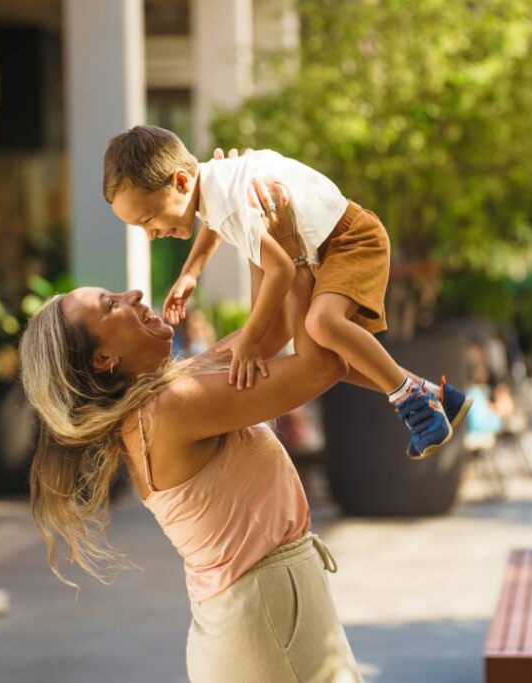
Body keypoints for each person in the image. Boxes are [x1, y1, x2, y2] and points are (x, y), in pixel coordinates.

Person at [18, 186, 363, 682]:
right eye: (112, 305)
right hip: (267, 617)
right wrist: (289, 244)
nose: (133, 294)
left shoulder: (166, 397)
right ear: (103, 360)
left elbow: (266, 334)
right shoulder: (170, 409)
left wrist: (246, 214)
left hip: (262, 613)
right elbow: (319, 366)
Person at [101, 126, 471, 459]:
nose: (150, 234)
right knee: (323, 348)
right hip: (324, 246)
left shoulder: (225, 200)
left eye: (148, 219)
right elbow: (215, 223)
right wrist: (190, 272)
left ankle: (412, 401)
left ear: (181, 182)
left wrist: (251, 340)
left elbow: (279, 269)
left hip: (349, 240)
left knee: (322, 325)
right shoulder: (214, 183)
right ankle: (437, 397)